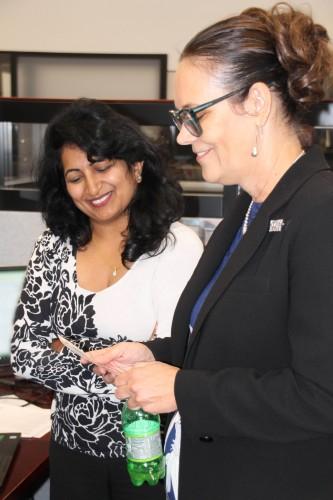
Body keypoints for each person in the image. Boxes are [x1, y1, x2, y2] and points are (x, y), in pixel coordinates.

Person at [83, 4, 333, 500]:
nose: (181, 136)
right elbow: (238, 345)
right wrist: (154, 357)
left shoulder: (321, 211)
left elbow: (321, 395)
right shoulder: (246, 208)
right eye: (180, 118)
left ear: (257, 102)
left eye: (195, 116)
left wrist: (180, 389)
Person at [10, 98, 203, 500]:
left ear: (135, 167)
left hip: (149, 453)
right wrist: (121, 362)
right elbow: (26, 354)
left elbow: (176, 359)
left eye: (102, 167)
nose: (92, 187)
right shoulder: (55, 245)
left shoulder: (176, 246)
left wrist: (66, 349)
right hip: (70, 449)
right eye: (75, 176)